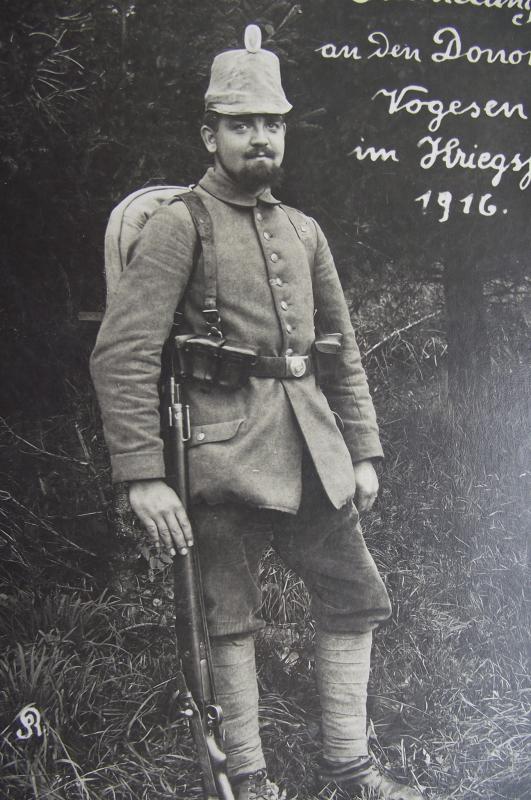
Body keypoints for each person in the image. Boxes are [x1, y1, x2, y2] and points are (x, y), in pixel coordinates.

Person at [90, 25, 423, 800]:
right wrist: (144, 476)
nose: (259, 139)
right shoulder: (180, 224)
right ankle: (249, 778)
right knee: (227, 617)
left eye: (271, 124)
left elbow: (340, 350)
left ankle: (350, 766)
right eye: (242, 125)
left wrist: (362, 451)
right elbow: (124, 352)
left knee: (355, 595)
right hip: (218, 460)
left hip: (310, 451)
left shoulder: (302, 231)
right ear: (210, 135)